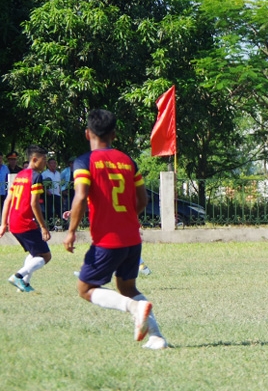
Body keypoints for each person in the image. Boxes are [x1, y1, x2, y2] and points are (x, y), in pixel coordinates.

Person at [63, 109, 168, 349]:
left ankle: (134, 308)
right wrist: (128, 218)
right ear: (114, 134)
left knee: (85, 288)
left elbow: (80, 197)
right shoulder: (127, 160)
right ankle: (157, 337)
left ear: (87, 133)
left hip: (107, 241)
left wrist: (71, 231)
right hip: (132, 237)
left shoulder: (84, 161)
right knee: (128, 287)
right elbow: (143, 201)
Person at [0, 145, 52, 292]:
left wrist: (4, 223)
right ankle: (18, 276)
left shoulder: (20, 175)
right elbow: (34, 203)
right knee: (46, 256)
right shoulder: (36, 176)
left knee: (34, 254)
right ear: (35, 159)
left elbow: (8, 201)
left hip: (14, 222)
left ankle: (24, 285)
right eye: (44, 160)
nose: (45, 163)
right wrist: (43, 227)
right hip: (25, 222)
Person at [41, 157, 62, 230]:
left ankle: (62, 224)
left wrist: (60, 193)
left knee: (59, 209)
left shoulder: (58, 173)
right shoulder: (45, 174)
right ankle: (50, 226)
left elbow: (59, 184)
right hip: (49, 195)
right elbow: (42, 184)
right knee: (49, 210)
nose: (53, 165)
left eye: (54, 163)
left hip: (57, 194)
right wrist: (46, 191)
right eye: (52, 163)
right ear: (48, 164)